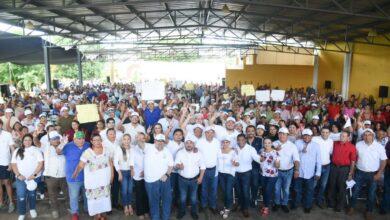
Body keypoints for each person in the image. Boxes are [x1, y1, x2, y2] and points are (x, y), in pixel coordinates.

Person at [72, 134, 114, 219]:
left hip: (104, 179)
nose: (97, 142)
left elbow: (110, 163)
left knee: (104, 197)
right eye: (95, 140)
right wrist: (75, 174)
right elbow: (80, 165)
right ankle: (96, 216)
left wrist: (112, 175)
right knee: (94, 199)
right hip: (92, 181)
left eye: (99, 140)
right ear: (91, 141)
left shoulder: (107, 150)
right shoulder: (87, 152)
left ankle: (102, 215)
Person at [349, 128, 387, 220]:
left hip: (373, 174)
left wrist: (379, 173)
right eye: (365, 135)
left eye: (369, 135)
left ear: (373, 136)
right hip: (359, 172)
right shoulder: (358, 144)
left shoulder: (379, 147)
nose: (367, 137)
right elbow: (354, 158)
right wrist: (352, 171)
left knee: (371, 193)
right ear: (362, 136)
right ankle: (351, 207)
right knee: (355, 191)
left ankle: (369, 211)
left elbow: (384, 161)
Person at [56, 131, 90, 220]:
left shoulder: (88, 145)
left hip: (88, 175)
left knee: (87, 195)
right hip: (73, 176)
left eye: (83, 138)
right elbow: (58, 152)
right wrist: (62, 144)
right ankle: (75, 212)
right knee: (74, 196)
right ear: (74, 139)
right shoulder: (68, 146)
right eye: (79, 139)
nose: (81, 140)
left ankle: (88, 209)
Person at [11, 134, 44, 220]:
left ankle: (32, 209)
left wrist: (34, 175)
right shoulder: (17, 151)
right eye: (25, 140)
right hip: (21, 178)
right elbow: (13, 164)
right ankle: (22, 213)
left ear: (32, 141)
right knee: (21, 195)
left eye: (29, 140)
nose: (27, 142)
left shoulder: (36, 150)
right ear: (22, 141)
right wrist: (18, 175)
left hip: (33, 178)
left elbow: (41, 163)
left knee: (32, 194)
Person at [174, 135, 205, 219]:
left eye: (191, 143)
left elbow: (202, 167)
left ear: (194, 144)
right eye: (187, 143)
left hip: (194, 180)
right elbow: (175, 165)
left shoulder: (198, 153)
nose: (189, 144)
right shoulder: (180, 152)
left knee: (193, 198)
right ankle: (182, 212)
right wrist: (178, 166)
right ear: (184, 144)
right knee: (182, 198)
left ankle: (194, 212)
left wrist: (201, 177)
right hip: (182, 180)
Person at [144, 133, 173, 220]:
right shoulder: (148, 147)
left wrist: (167, 174)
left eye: (162, 141)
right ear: (154, 141)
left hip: (164, 180)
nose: (160, 143)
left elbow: (171, 165)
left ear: (164, 142)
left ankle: (165, 218)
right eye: (158, 141)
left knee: (167, 200)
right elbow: (140, 143)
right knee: (153, 202)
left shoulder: (167, 151)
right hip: (151, 181)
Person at [292, 128, 322, 213]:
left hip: (310, 173)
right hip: (299, 172)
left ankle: (307, 206)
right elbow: (293, 156)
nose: (306, 137)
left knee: (309, 191)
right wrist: (301, 150)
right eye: (305, 135)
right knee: (297, 190)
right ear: (302, 136)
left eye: (308, 135)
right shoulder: (297, 143)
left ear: (312, 136)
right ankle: (296, 204)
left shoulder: (316, 145)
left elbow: (318, 160)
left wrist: (318, 172)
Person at [41, 130, 69, 218]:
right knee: (52, 195)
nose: (56, 140)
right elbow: (37, 143)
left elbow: (59, 151)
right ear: (49, 140)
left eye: (57, 138)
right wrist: (34, 137)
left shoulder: (65, 146)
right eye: (53, 139)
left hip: (64, 175)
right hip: (50, 176)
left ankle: (70, 207)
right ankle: (54, 210)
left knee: (67, 193)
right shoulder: (46, 147)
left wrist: (63, 143)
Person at [328, 131, 356, 212]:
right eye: (341, 136)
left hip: (344, 169)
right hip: (333, 167)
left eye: (344, 136)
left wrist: (351, 173)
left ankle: (339, 205)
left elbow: (353, 161)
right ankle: (331, 203)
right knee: (331, 185)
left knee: (342, 187)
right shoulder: (334, 143)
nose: (342, 137)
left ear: (348, 138)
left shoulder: (352, 147)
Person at [272, 127, 300, 213]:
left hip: (288, 171)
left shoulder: (292, 145)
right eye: (280, 133)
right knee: (276, 189)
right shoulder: (273, 144)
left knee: (286, 189)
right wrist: (274, 150)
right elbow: (266, 153)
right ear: (278, 134)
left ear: (287, 135)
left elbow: (296, 159)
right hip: (276, 171)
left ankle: (284, 204)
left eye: (284, 134)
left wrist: (296, 170)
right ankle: (277, 203)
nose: (282, 135)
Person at [234, 134, 261, 217]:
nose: (241, 141)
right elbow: (231, 157)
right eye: (239, 140)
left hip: (246, 173)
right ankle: (240, 204)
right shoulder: (235, 148)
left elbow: (257, 158)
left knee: (245, 192)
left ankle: (245, 208)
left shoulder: (251, 149)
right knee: (238, 191)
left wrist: (263, 158)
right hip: (236, 173)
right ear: (237, 140)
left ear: (245, 140)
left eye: (243, 139)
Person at [196, 127, 220, 215]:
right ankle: (203, 205)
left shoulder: (217, 142)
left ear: (214, 133)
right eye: (207, 132)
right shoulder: (200, 142)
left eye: (211, 132)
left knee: (213, 189)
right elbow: (196, 153)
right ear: (205, 133)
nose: (209, 134)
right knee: (203, 189)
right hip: (203, 170)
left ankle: (212, 206)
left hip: (214, 169)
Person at [312, 126, 333, 208]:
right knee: (313, 184)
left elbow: (330, 153)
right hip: (316, 166)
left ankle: (319, 200)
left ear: (329, 133)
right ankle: (309, 200)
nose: (325, 134)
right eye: (323, 132)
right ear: (320, 132)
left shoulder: (331, 141)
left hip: (327, 166)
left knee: (323, 185)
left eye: (327, 132)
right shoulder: (315, 139)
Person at [217, 137, 238, 219]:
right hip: (221, 173)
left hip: (230, 174)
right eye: (223, 142)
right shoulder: (218, 151)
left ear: (229, 143)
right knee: (224, 191)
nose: (225, 143)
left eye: (227, 142)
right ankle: (225, 207)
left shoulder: (233, 152)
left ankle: (228, 208)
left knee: (228, 191)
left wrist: (235, 164)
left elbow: (237, 162)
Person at [113, 134, 134, 216]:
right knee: (124, 191)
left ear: (130, 140)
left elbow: (132, 160)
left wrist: (132, 170)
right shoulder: (119, 148)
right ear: (122, 140)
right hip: (123, 172)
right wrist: (119, 173)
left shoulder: (132, 148)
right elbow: (115, 162)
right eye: (124, 139)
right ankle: (125, 206)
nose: (126, 141)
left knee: (130, 190)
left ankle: (130, 205)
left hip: (130, 171)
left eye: (128, 139)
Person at [130, 132, 149, 219]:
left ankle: (146, 211)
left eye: (142, 138)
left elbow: (151, 161)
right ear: (136, 139)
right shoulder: (133, 149)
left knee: (147, 194)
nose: (141, 139)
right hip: (138, 175)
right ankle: (140, 212)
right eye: (139, 138)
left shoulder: (150, 147)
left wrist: (145, 170)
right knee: (139, 194)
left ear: (145, 139)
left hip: (148, 175)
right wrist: (132, 170)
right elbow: (131, 162)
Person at [259, 138, 280, 216]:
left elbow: (278, 165)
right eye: (265, 143)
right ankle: (265, 204)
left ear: (271, 143)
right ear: (263, 144)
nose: (267, 144)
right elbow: (260, 161)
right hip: (262, 174)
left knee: (268, 190)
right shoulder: (262, 152)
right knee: (264, 190)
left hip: (272, 175)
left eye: (269, 143)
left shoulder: (275, 153)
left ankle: (266, 208)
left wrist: (276, 164)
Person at [0, 119, 16, 213]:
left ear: (1, 125)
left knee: (7, 183)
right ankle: (1, 202)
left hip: (5, 162)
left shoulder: (7, 134)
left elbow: (13, 149)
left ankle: (11, 202)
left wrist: (11, 162)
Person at [246, 125, 263, 207]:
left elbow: (263, 151)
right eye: (248, 131)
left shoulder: (260, 140)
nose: (250, 132)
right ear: (246, 132)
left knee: (255, 184)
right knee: (246, 184)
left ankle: (254, 199)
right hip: (245, 166)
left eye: (252, 130)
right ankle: (246, 199)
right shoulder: (243, 140)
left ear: (255, 131)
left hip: (255, 167)